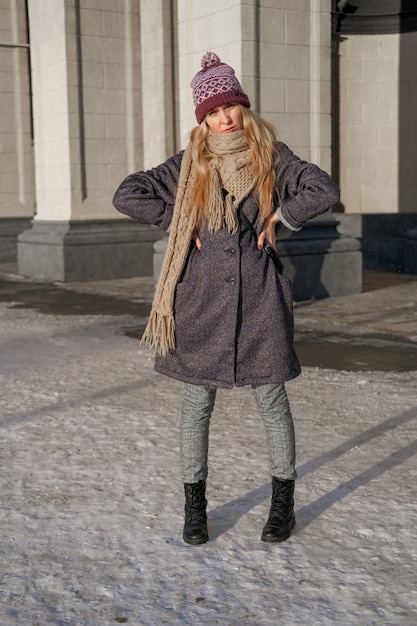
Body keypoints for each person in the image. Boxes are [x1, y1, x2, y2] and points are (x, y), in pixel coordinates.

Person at [113, 51, 340, 546]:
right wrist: (178, 220)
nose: (223, 118)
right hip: (200, 304)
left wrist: (282, 217)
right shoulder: (189, 164)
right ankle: (195, 508)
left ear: (243, 106)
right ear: (203, 118)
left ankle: (283, 506)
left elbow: (322, 188)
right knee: (196, 405)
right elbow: (128, 192)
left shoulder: (271, 156)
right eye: (212, 111)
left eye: (229, 107)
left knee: (273, 402)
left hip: (260, 299)